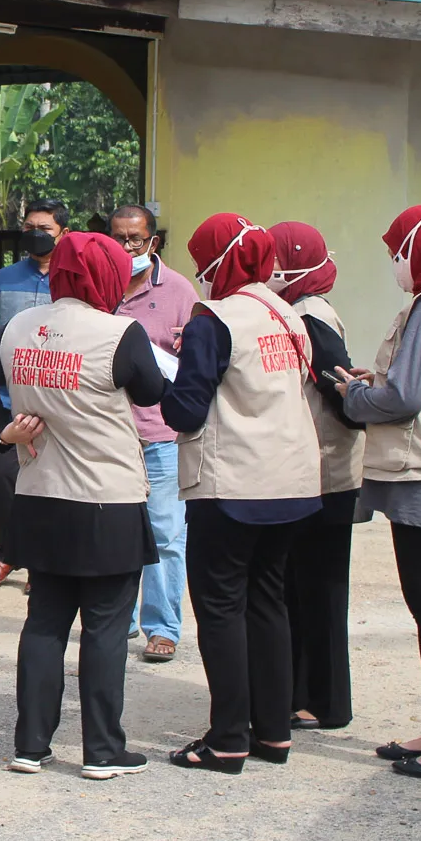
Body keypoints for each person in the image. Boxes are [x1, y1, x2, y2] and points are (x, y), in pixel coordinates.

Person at [0, 232, 164, 780]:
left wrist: (10, 432)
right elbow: (153, 391)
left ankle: (30, 745)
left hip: (41, 494)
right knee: (107, 627)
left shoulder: (17, 329)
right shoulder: (119, 332)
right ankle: (103, 750)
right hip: (106, 498)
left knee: (44, 622)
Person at [161, 214, 321, 774]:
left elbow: (185, 408)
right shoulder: (285, 313)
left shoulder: (214, 319)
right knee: (268, 601)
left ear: (217, 259)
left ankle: (228, 736)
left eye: (201, 256)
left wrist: (161, 378)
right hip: (292, 480)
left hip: (232, 482)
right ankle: (273, 732)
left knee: (221, 607)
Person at [337, 205, 421, 780]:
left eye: (400, 249)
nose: (396, 261)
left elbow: (406, 397)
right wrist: (382, 384)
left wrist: (354, 398)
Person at [269, 221, 363, 732]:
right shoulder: (305, 309)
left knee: (319, 590)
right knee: (301, 589)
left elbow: (337, 386)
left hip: (326, 472)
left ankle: (324, 700)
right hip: (317, 469)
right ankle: (306, 691)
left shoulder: (309, 315)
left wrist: (360, 406)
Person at [110, 204, 198, 662]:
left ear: (153, 242)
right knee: (117, 528)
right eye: (119, 239)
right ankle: (117, 618)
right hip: (110, 434)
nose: (127, 249)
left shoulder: (181, 290)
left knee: (164, 533)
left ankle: (162, 627)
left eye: (136, 240)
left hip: (161, 432)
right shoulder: (101, 286)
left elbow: (198, 363)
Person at [0, 198, 69, 588]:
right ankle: (7, 554)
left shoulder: (71, 280)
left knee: (51, 484)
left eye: (44, 229)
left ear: (63, 231)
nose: (35, 234)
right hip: (1, 401)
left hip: (55, 402)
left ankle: (44, 558)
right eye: (29, 226)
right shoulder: (3, 280)